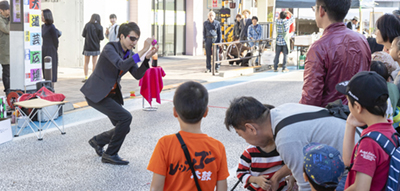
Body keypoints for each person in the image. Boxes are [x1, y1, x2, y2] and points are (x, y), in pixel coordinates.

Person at [224, 96, 352, 191]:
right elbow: (298, 161)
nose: (245, 141)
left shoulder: (285, 139)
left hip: (351, 166)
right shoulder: (282, 111)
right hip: (354, 147)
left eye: (241, 135)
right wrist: (276, 177)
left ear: (251, 128)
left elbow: (306, 186)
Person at [81, 22, 158, 165]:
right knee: (125, 118)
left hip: (110, 94)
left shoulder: (129, 53)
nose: (134, 42)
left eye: (136, 39)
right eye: (132, 38)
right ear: (122, 36)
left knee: (123, 127)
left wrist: (146, 58)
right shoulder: (110, 48)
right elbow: (121, 65)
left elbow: (137, 74)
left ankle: (98, 141)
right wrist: (142, 50)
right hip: (96, 93)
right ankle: (110, 154)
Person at [147, 81, 229, 190]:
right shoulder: (218, 147)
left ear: (175, 112)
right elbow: (222, 188)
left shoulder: (165, 144)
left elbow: (156, 188)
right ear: (206, 112)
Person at [300, 0, 371, 107]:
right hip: (359, 115)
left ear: (321, 10)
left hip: (329, 117)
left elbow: (311, 96)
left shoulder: (319, 47)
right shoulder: (362, 40)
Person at [338, 71, 396, 191]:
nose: (348, 105)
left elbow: (360, 188)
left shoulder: (370, 143)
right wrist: (350, 125)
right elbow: (349, 162)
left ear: (358, 107)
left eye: (348, 101)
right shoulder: (389, 131)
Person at [82, 14, 104, 82]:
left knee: (86, 62)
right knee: (94, 63)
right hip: (96, 47)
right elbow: (101, 38)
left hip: (87, 47)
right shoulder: (100, 27)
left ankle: (86, 77)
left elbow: (83, 35)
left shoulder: (87, 25)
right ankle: (93, 77)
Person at [41, 9, 59, 83]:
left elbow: (56, 40)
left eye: (42, 15)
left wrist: (54, 49)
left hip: (51, 49)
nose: (41, 17)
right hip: (44, 48)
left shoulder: (52, 27)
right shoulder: (43, 26)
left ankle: (51, 86)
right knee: (44, 68)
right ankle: (46, 84)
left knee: (51, 69)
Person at [0, 0, 10, 96]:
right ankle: (8, 91)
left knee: (10, 71)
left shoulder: (8, 19)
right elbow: (7, 30)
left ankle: (11, 90)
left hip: (12, 50)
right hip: (4, 51)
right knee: (6, 72)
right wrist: (13, 20)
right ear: (1, 11)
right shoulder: (0, 20)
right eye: (6, 9)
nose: (9, 11)